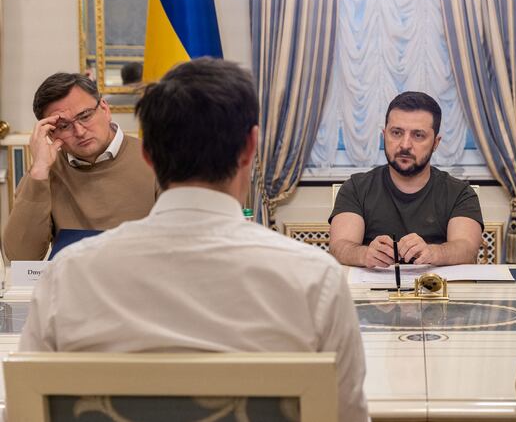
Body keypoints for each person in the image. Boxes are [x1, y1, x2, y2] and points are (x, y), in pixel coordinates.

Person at [19, 58, 369, 422]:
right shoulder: (316, 281)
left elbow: (27, 410)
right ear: (251, 146)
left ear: (148, 155)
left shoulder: (67, 277)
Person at [2, 73, 157, 260]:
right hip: (73, 285)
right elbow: (19, 259)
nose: (80, 131)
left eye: (85, 116)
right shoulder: (46, 172)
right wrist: (39, 171)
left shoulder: (158, 160)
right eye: (64, 126)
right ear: (50, 134)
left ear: (105, 109)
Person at [329, 91, 484, 267]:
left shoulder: (460, 193)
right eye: (396, 133)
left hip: (438, 292)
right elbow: (339, 247)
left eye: (418, 135)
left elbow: (467, 249)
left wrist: (433, 252)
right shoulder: (356, 188)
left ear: (436, 143)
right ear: (384, 134)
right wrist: (364, 255)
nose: (405, 145)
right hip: (370, 291)